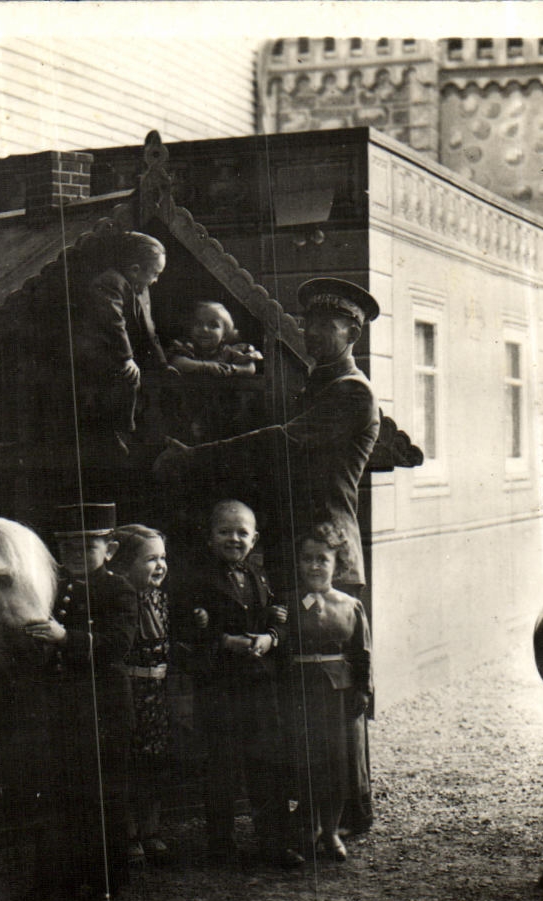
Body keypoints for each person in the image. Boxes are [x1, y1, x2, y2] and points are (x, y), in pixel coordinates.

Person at [154, 276, 383, 834]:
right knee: (298, 690)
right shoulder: (318, 385)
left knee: (334, 691)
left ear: (351, 330)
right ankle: (309, 804)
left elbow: (281, 440)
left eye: (325, 326)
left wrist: (196, 457)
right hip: (296, 548)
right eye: (307, 325)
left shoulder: (351, 391)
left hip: (326, 554)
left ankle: (349, 808)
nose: (311, 334)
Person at [170, 499, 297, 869]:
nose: (234, 538)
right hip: (220, 687)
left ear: (254, 539)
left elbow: (279, 617)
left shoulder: (259, 577)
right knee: (221, 767)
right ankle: (220, 845)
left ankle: (273, 842)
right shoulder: (196, 581)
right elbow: (183, 633)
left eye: (242, 532)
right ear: (210, 538)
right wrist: (224, 641)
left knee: (267, 765)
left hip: (259, 686)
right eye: (224, 531)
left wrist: (271, 636)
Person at [24, 501, 140, 901]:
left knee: (102, 794)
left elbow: (118, 645)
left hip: (102, 704)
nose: (74, 556)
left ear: (109, 551)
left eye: (85, 547)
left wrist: (64, 639)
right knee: (60, 791)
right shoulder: (52, 587)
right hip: (60, 704)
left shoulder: (119, 589)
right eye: (67, 548)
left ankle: (106, 880)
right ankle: (60, 879)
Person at [281, 522, 373, 863]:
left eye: (323, 559)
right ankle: (309, 828)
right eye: (307, 559)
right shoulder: (287, 603)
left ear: (337, 564)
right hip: (300, 691)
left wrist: (363, 689)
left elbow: (362, 652)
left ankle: (332, 831)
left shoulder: (349, 605)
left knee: (336, 763)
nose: (315, 566)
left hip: (338, 694)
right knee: (306, 760)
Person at [69, 231, 172, 454]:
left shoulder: (141, 290)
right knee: (128, 377)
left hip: (118, 350)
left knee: (149, 377)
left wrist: (162, 364)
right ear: (135, 270)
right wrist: (126, 358)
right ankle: (118, 432)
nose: (156, 280)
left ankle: (140, 429)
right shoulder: (109, 283)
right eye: (154, 273)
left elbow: (149, 330)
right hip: (97, 351)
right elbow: (113, 324)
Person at [110, 523, 176, 866]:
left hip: (158, 694)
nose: (160, 566)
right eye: (151, 559)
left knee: (155, 764)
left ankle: (152, 830)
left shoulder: (162, 599)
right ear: (124, 564)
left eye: (163, 558)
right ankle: (130, 832)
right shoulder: (118, 599)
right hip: (130, 693)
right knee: (128, 764)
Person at [166, 300, 263, 377]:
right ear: (190, 328)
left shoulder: (228, 352)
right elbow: (177, 362)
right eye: (198, 324)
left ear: (224, 334)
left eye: (213, 325)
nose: (205, 329)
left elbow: (250, 368)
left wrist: (232, 369)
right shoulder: (186, 348)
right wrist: (208, 367)